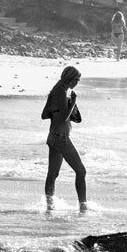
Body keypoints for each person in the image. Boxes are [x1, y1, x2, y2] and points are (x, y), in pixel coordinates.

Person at [41, 65, 87, 212]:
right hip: (61, 138)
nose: (77, 83)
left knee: (53, 174)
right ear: (72, 79)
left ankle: (50, 206)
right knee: (81, 171)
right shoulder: (61, 91)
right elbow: (62, 119)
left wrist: (61, 107)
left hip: (52, 137)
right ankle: (83, 206)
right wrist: (72, 102)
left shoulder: (55, 90)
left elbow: (44, 115)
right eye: (77, 80)